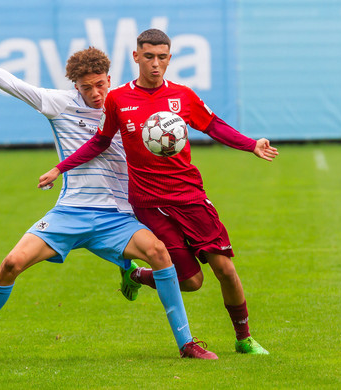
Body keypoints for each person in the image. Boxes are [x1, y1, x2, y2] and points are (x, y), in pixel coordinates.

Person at [0, 38, 218, 362]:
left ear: (109, 79)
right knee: (11, 264)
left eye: (99, 85)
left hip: (117, 217)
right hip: (70, 213)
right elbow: (10, 83)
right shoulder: (58, 103)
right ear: (76, 86)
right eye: (86, 87)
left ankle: (187, 344)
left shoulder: (126, 105)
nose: (95, 93)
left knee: (158, 252)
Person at [39, 29, 278, 355]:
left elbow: (214, 125)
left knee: (225, 268)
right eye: (149, 56)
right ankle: (138, 274)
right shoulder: (118, 99)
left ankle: (244, 338)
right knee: (192, 282)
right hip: (150, 205)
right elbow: (100, 141)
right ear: (136, 57)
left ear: (169, 58)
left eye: (162, 57)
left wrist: (252, 145)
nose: (155, 64)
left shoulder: (183, 95)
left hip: (190, 197)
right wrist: (60, 167)